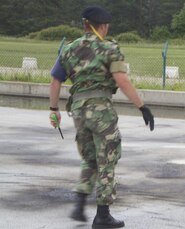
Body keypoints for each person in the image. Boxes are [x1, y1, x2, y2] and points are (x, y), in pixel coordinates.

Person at [49, 5, 154, 229]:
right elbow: (122, 80)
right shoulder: (109, 49)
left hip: (78, 110)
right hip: (100, 111)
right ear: (103, 26)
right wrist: (142, 107)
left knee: (90, 158)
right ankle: (103, 215)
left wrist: (53, 110)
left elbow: (56, 80)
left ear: (85, 25)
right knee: (107, 159)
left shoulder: (69, 49)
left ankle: (79, 203)